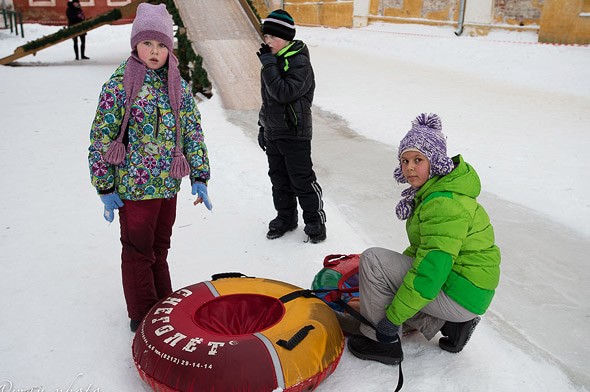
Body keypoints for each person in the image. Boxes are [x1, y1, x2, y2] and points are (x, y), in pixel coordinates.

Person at [87, 3, 211, 332]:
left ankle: (163, 304)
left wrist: (199, 175)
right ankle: (143, 314)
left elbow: (192, 132)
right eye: (147, 44)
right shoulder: (119, 86)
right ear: (135, 45)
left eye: (161, 45)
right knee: (138, 250)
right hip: (133, 188)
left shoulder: (178, 86)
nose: (154, 52)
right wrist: (105, 186)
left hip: (167, 186)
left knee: (159, 248)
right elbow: (102, 137)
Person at [347, 113, 501, 365]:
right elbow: (423, 252)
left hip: (460, 292)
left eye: (418, 159)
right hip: (467, 289)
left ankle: (382, 344)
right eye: (405, 160)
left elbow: (430, 273)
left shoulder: (443, 204)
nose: (409, 167)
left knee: (374, 260)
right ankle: (448, 324)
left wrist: (390, 321)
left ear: (436, 161)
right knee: (401, 277)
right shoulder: (438, 193)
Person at [256, 9, 327, 244]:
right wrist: (262, 126)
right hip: (274, 132)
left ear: (286, 38)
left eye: (272, 38)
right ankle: (286, 217)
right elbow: (268, 100)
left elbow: (284, 93)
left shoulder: (299, 62)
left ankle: (315, 221)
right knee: (279, 180)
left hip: (295, 134)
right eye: (266, 38)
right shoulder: (272, 64)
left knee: (302, 180)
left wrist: (269, 66)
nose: (268, 42)